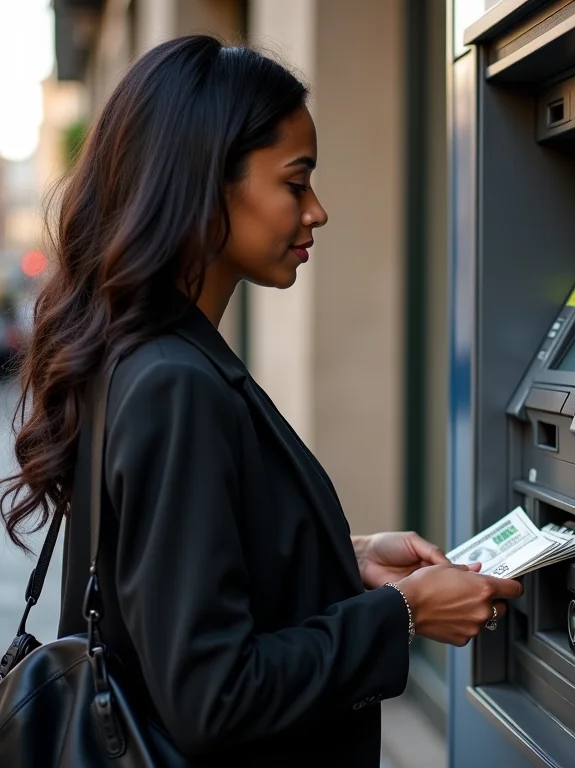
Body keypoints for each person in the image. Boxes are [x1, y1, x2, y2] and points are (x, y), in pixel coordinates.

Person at [1, 36, 523, 766]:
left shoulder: (136, 354)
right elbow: (214, 694)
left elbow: (174, 574)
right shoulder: (174, 382)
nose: (318, 211)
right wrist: (403, 612)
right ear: (207, 183)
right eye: (296, 181)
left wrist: (350, 558)